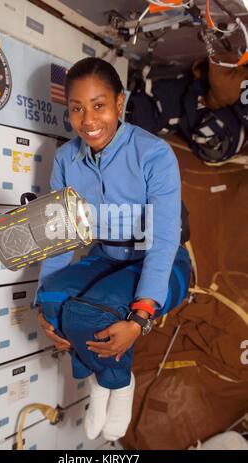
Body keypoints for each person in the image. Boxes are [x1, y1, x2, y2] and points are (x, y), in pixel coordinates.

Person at [36, 57, 191, 442]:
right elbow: (60, 235)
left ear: (120, 103)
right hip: (106, 254)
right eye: (77, 108)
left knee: (93, 314)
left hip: (162, 258)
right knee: (53, 302)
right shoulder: (66, 159)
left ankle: (117, 384)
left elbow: (165, 239)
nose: (88, 120)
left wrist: (140, 318)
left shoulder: (153, 154)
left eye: (99, 105)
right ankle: (107, 377)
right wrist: (43, 303)